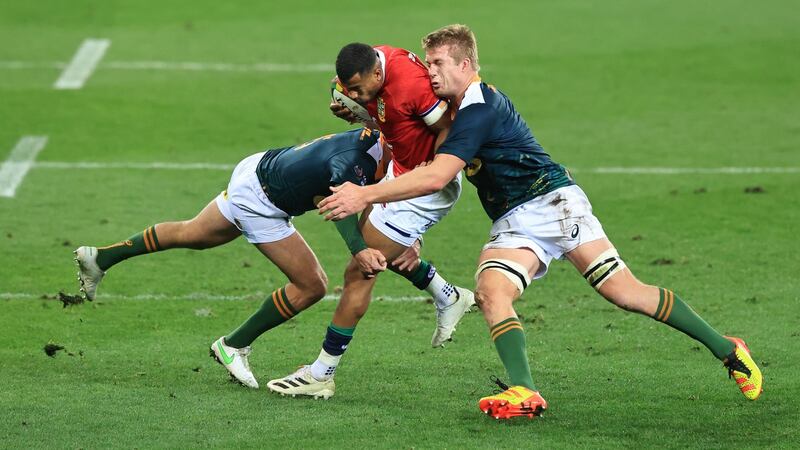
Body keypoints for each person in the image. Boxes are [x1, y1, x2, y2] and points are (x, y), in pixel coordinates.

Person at [317, 25, 763, 418]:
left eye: (437, 63)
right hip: (516, 219)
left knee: (626, 294)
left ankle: (728, 350)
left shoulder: (480, 108)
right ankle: (525, 391)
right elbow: (419, 141)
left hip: (554, 205)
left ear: (465, 63)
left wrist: (364, 194)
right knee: (492, 293)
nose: (428, 72)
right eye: (426, 62)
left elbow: (436, 175)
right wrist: (366, 113)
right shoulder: (455, 111)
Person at [74, 129, 397, 391]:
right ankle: (233, 344)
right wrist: (359, 249)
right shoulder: (356, 162)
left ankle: (100, 257)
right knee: (311, 285)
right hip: (261, 201)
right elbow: (339, 202)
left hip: (259, 169)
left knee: (195, 234)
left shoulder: (377, 135)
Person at [266, 43, 476, 398]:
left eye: (359, 90)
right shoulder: (373, 65)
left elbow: (448, 126)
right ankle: (448, 296)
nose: (354, 95)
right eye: (350, 90)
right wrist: (358, 111)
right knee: (378, 248)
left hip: (423, 184)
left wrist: (434, 168)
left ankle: (321, 374)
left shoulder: (410, 85)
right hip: (399, 172)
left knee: (359, 271)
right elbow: (388, 114)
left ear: (378, 75)